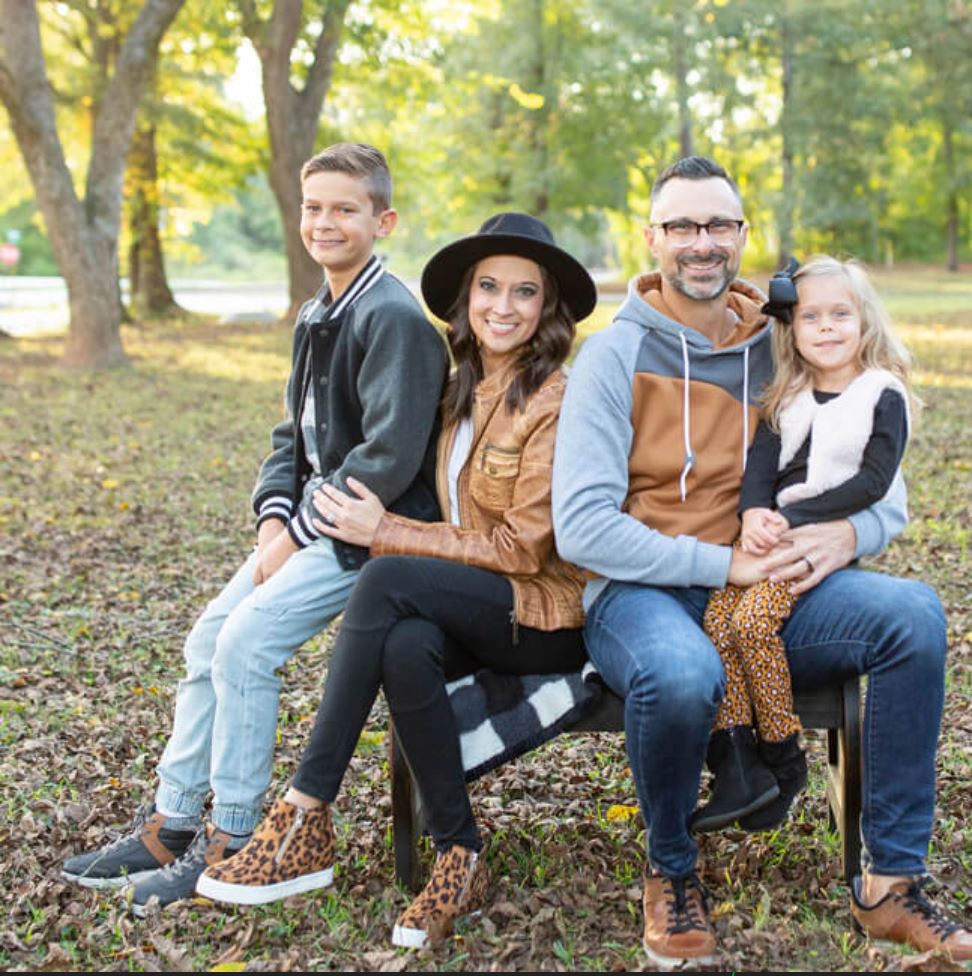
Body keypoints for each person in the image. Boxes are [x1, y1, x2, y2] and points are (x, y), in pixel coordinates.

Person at [552, 156, 971, 966]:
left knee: (913, 616)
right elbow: (580, 528)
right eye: (682, 226)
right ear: (653, 239)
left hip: (768, 587)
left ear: (743, 237)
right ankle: (671, 869)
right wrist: (722, 565)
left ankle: (888, 884)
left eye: (718, 226)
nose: (700, 243)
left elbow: (876, 481)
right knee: (680, 674)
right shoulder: (611, 357)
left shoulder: (783, 347)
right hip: (643, 591)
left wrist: (852, 536)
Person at [60, 143, 448, 914]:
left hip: (369, 533)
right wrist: (275, 515)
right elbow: (292, 437)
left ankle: (234, 838)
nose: (325, 221)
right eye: (314, 207)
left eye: (346, 208)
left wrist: (295, 535)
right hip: (309, 525)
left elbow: (389, 455)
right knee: (207, 638)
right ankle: (173, 823)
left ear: (384, 220)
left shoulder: (393, 316)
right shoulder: (318, 311)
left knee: (247, 643)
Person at [193, 212, 596, 949]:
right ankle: (459, 852)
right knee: (405, 642)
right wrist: (284, 513)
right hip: (476, 611)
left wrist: (388, 535)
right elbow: (344, 441)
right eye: (488, 288)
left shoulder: (556, 399)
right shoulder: (454, 391)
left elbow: (523, 547)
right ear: (465, 300)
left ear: (548, 308)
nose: (503, 307)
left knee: (385, 580)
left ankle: (307, 810)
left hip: (547, 616)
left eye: (524, 292)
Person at [691, 255, 914, 834]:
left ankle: (785, 759)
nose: (827, 327)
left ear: (865, 321)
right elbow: (760, 469)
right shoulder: (787, 395)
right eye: (811, 316)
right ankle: (739, 759)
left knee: (751, 626)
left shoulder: (879, 394)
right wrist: (754, 512)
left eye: (841, 314)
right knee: (717, 622)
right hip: (768, 540)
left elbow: (873, 481)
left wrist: (795, 517)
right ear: (792, 330)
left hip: (813, 545)